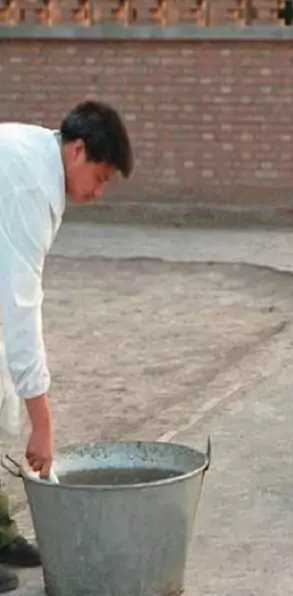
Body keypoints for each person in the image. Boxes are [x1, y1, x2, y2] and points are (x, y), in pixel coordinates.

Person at [0, 101, 133, 592]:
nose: (97, 193)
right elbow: (21, 306)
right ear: (77, 150)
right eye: (99, 177)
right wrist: (44, 425)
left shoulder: (39, 157)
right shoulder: (31, 185)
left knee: (0, 390)